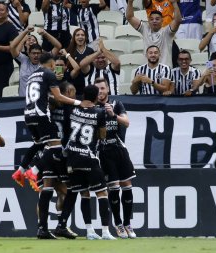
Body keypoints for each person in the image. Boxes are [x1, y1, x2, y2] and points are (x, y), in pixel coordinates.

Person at [22, 53, 88, 239]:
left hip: (28, 116)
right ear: (51, 63)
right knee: (56, 149)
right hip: (41, 117)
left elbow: (48, 96)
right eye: (55, 65)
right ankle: (33, 170)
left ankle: (43, 228)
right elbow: (58, 95)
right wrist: (77, 102)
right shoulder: (47, 74)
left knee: (48, 185)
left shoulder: (32, 75)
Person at [66, 84, 115, 240]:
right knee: (102, 193)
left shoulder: (73, 110)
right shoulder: (99, 112)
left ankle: (89, 231)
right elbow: (102, 136)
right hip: (89, 157)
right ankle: (106, 231)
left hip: (72, 158)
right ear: (95, 97)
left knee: (84, 194)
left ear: (82, 95)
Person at [95, 77, 137, 239]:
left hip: (119, 149)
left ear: (108, 90)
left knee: (127, 184)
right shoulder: (92, 108)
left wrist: (113, 115)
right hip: (104, 152)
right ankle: (118, 223)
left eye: (103, 88)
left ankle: (127, 223)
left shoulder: (116, 104)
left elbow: (126, 122)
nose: (100, 92)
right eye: (97, 89)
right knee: (113, 187)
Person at [127, 0, 181, 68]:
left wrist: (174, 3)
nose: (154, 21)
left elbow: (178, 20)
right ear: (148, 21)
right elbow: (130, 17)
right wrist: (130, 2)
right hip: (148, 71)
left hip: (165, 71)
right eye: (151, 19)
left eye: (157, 19)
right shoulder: (144, 29)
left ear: (162, 21)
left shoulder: (167, 32)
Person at [10, 25, 62, 96]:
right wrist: (25, 31)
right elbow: (12, 47)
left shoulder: (45, 60)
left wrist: (45, 33)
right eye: (33, 53)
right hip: (23, 100)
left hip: (40, 100)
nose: (36, 55)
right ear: (28, 53)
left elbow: (58, 46)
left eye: (38, 53)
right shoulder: (23, 59)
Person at [66, 27, 95, 96]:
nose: (80, 37)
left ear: (85, 37)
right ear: (74, 37)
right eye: (77, 35)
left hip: (87, 83)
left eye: (82, 35)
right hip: (73, 84)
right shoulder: (69, 51)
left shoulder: (90, 50)